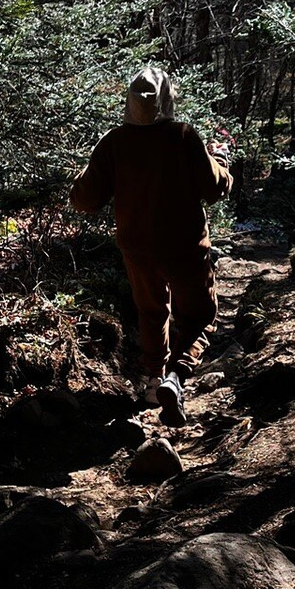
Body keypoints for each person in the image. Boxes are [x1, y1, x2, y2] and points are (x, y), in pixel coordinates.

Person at [70, 67, 233, 427]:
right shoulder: (184, 137)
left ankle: (154, 379)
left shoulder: (114, 142)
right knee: (201, 315)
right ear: (167, 101)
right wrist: (220, 160)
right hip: (185, 246)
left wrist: (81, 177)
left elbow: (84, 199)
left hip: (137, 249)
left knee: (151, 311)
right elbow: (215, 188)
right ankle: (177, 375)